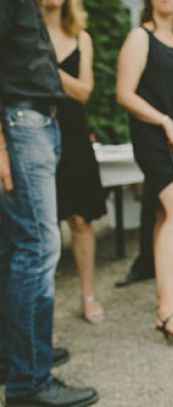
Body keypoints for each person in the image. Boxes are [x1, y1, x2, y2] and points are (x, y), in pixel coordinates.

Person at [0, 1, 99, 406]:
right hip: (22, 124)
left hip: (40, 121)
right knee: (37, 247)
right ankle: (29, 381)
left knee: (16, 247)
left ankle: (18, 356)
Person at [116, 0, 173, 344]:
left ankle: (165, 297)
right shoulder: (140, 37)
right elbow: (124, 94)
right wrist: (165, 121)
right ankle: (167, 310)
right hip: (154, 140)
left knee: (163, 216)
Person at [42, 0, 107, 324]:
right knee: (43, 225)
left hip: (74, 133)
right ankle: (43, 308)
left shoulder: (81, 36)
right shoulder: (26, 32)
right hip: (38, 130)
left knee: (81, 220)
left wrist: (46, 66)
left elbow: (84, 91)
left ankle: (88, 294)